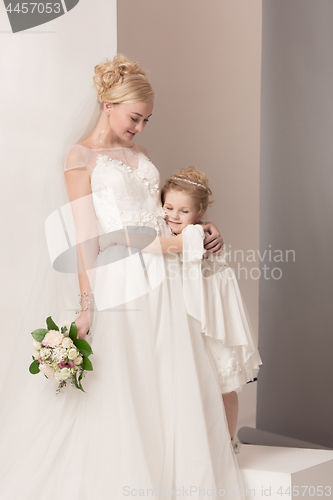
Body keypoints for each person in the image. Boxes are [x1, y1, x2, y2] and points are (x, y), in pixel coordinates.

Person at [0, 55, 246, 499]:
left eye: (147, 120)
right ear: (108, 104)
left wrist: (199, 228)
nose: (140, 129)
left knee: (168, 382)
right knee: (126, 385)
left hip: (167, 278)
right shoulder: (79, 157)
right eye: (135, 118)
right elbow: (86, 237)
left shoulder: (140, 155)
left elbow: (162, 217)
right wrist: (87, 306)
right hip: (122, 281)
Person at [152, 166, 262, 451]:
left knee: (224, 381)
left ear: (199, 214)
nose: (173, 216)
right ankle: (207, 437)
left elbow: (159, 246)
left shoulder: (194, 235)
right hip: (198, 313)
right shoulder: (186, 226)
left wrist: (121, 240)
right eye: (168, 207)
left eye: (183, 211)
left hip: (213, 317)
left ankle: (229, 439)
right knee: (204, 379)